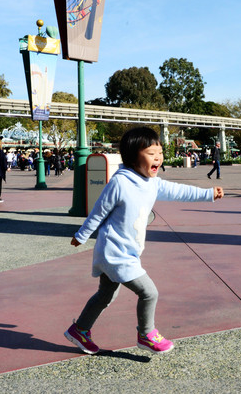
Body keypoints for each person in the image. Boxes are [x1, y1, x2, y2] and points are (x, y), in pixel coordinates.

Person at [64, 127, 224, 356]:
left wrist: (208, 194)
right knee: (149, 292)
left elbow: (179, 191)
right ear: (132, 156)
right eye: (151, 153)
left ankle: (79, 330)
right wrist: (81, 235)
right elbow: (98, 212)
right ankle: (146, 334)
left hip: (128, 251)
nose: (158, 157)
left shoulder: (153, 183)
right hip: (115, 252)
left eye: (160, 152)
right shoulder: (120, 183)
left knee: (105, 295)